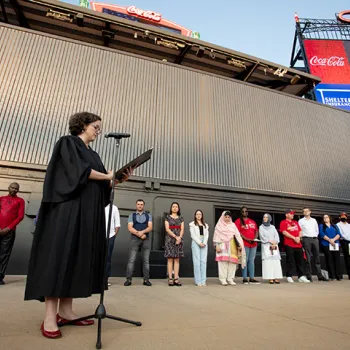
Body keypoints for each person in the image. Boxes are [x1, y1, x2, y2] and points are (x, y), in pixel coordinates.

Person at [24, 112, 132, 339]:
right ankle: (50, 317)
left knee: (74, 258)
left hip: (86, 214)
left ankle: (66, 311)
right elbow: (76, 173)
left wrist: (117, 179)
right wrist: (106, 176)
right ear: (82, 125)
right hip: (67, 210)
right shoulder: (68, 143)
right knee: (59, 257)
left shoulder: (94, 154)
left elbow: (101, 184)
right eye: (96, 126)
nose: (98, 131)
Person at [0, 182, 25, 285]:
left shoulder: (20, 201)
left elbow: (20, 216)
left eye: (16, 188)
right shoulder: (1, 198)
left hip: (9, 232)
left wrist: (8, 228)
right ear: (8, 188)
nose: (14, 189)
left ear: (18, 190)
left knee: (4, 254)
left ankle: (0, 277)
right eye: (12, 187)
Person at [124, 199, 153, 287]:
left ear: (143, 206)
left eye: (141, 204)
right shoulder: (131, 215)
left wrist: (142, 232)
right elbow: (130, 228)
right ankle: (128, 279)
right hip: (134, 239)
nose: (140, 206)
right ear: (136, 205)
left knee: (146, 261)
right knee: (131, 260)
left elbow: (150, 227)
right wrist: (140, 234)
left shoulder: (149, 216)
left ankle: (146, 280)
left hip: (146, 239)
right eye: (138, 204)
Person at [214, 211, 245, 286]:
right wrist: (216, 245)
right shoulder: (219, 225)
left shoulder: (233, 225)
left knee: (232, 263)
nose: (227, 219)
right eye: (226, 217)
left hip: (232, 245)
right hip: (222, 245)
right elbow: (216, 236)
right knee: (223, 263)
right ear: (223, 217)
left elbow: (237, 235)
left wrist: (240, 244)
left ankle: (230, 279)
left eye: (228, 217)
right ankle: (223, 279)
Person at [280, 209, 310, 283]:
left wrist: (299, 238)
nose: (292, 215)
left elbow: (300, 231)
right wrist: (294, 238)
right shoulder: (283, 222)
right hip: (289, 244)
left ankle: (301, 276)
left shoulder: (296, 222)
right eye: (291, 213)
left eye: (293, 213)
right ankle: (289, 276)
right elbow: (284, 232)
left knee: (300, 261)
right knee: (290, 261)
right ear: (286, 214)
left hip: (298, 244)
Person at [298, 207, 328, 282]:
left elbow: (316, 230)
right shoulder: (301, 221)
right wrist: (302, 240)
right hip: (306, 239)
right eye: (304, 211)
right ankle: (309, 276)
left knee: (317, 257)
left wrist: (315, 237)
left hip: (314, 239)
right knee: (308, 258)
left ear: (310, 212)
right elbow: (300, 231)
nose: (305, 212)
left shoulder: (314, 220)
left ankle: (319, 275)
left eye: (307, 211)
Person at [235, 206, 259, 284]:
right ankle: (245, 278)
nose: (245, 213)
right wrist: (247, 239)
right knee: (244, 261)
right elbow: (238, 233)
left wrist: (254, 238)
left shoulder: (252, 221)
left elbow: (256, 231)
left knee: (251, 261)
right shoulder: (238, 221)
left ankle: (252, 278)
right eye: (243, 211)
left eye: (246, 211)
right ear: (241, 212)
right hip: (244, 243)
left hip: (253, 244)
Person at [259, 213, 283, 284]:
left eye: (266, 217)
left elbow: (276, 236)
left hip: (274, 246)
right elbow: (262, 237)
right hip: (266, 246)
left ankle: (276, 277)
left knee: (275, 262)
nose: (265, 218)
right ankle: (270, 278)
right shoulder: (261, 227)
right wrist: (269, 241)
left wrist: (275, 242)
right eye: (264, 217)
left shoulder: (273, 227)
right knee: (268, 262)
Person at [164, 202, 184, 286]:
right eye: (173, 206)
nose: (175, 208)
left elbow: (182, 229)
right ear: (171, 208)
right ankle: (170, 278)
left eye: (176, 207)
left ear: (178, 208)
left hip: (178, 240)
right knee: (170, 259)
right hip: (170, 240)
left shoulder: (181, 218)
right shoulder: (167, 218)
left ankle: (176, 278)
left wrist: (179, 238)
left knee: (177, 259)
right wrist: (176, 237)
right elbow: (167, 229)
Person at [319, 215, 342, 281]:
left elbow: (338, 234)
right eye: (324, 218)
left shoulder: (334, 226)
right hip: (326, 244)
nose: (325, 218)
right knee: (329, 259)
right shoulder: (321, 226)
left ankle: (338, 276)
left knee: (336, 259)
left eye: (326, 217)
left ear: (329, 218)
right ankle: (332, 276)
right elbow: (321, 234)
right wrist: (329, 240)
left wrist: (333, 240)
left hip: (335, 244)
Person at [189, 210, 209, 287]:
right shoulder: (192, 224)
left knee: (203, 262)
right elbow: (192, 235)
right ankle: (198, 281)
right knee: (196, 262)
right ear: (195, 215)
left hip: (204, 242)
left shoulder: (206, 225)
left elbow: (207, 235)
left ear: (202, 215)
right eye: (197, 214)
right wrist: (199, 242)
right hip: (196, 242)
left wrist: (204, 242)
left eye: (200, 214)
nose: (198, 215)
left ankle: (203, 281)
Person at [105, 204, 120, 286]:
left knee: (107, 258)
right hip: (98, 236)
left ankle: (105, 279)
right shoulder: (98, 205)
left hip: (110, 236)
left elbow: (117, 225)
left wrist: (113, 236)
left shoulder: (114, 208)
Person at [336, 212, 350, 280]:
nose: (343, 217)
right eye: (342, 216)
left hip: (349, 242)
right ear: (340, 217)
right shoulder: (338, 225)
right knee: (347, 258)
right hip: (344, 242)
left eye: (344, 216)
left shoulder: (348, 225)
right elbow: (341, 234)